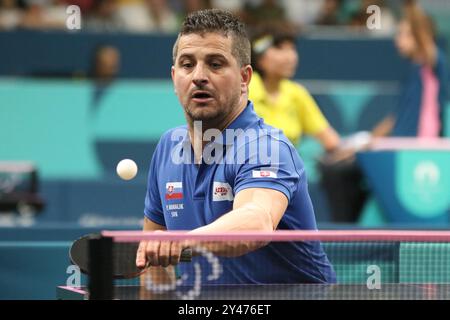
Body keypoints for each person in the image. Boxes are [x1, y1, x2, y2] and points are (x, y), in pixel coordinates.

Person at [135, 9, 336, 285]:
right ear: (174, 77)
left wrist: (184, 240)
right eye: (187, 64)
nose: (199, 76)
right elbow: (155, 261)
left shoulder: (266, 147)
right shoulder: (169, 146)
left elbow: (256, 223)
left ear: (245, 79)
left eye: (216, 64)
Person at [319, 0, 449, 223]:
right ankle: (346, 232)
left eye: (404, 34)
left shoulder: (434, 63)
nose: (397, 40)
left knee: (339, 173)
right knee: (337, 169)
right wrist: (362, 143)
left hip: (417, 150)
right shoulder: (414, 73)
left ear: (419, 35)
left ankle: (343, 235)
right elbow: (394, 120)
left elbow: (423, 35)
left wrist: (410, 6)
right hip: (397, 146)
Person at [249, 27, 341, 151]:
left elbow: (331, 141)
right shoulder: (243, 90)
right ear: (259, 57)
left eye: (292, 49)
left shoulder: (296, 92)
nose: (290, 57)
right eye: (280, 48)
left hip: (286, 167)